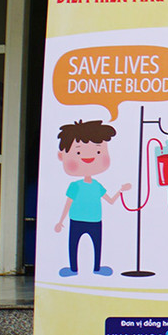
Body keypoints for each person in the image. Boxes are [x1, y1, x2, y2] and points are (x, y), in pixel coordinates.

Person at [53, 119, 131, 277]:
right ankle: (73, 268)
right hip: (77, 219)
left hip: (95, 220)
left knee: (97, 245)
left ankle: (97, 267)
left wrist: (121, 191)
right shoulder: (75, 185)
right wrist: (61, 221)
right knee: (73, 244)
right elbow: (68, 203)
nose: (88, 157)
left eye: (98, 152)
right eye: (79, 152)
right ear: (61, 155)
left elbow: (109, 200)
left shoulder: (97, 185)